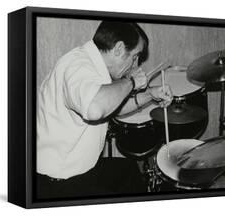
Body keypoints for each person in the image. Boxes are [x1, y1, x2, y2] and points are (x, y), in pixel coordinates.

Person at [36, 21, 173, 199]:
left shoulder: (93, 65)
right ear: (118, 49)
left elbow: (110, 108)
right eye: (134, 56)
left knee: (129, 171)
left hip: (80, 167)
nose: (135, 64)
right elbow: (95, 108)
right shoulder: (77, 67)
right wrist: (131, 82)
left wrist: (149, 95)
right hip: (58, 180)